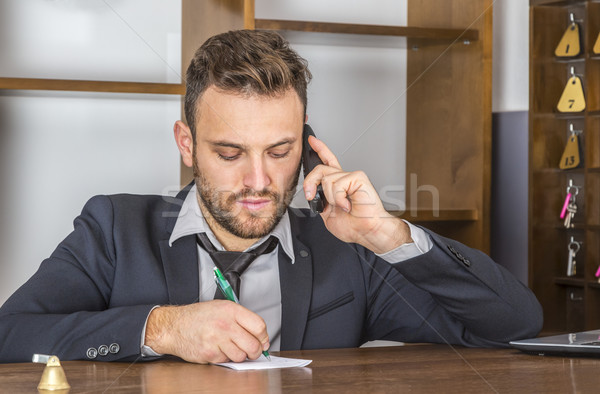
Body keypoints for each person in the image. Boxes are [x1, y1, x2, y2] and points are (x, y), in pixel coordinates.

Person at [0, 30, 542, 364]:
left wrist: (388, 235)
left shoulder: (346, 251)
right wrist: (162, 328)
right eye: (230, 153)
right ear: (186, 144)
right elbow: (11, 335)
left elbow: (513, 324)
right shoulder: (114, 230)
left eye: (279, 151)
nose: (258, 180)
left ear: (307, 145)